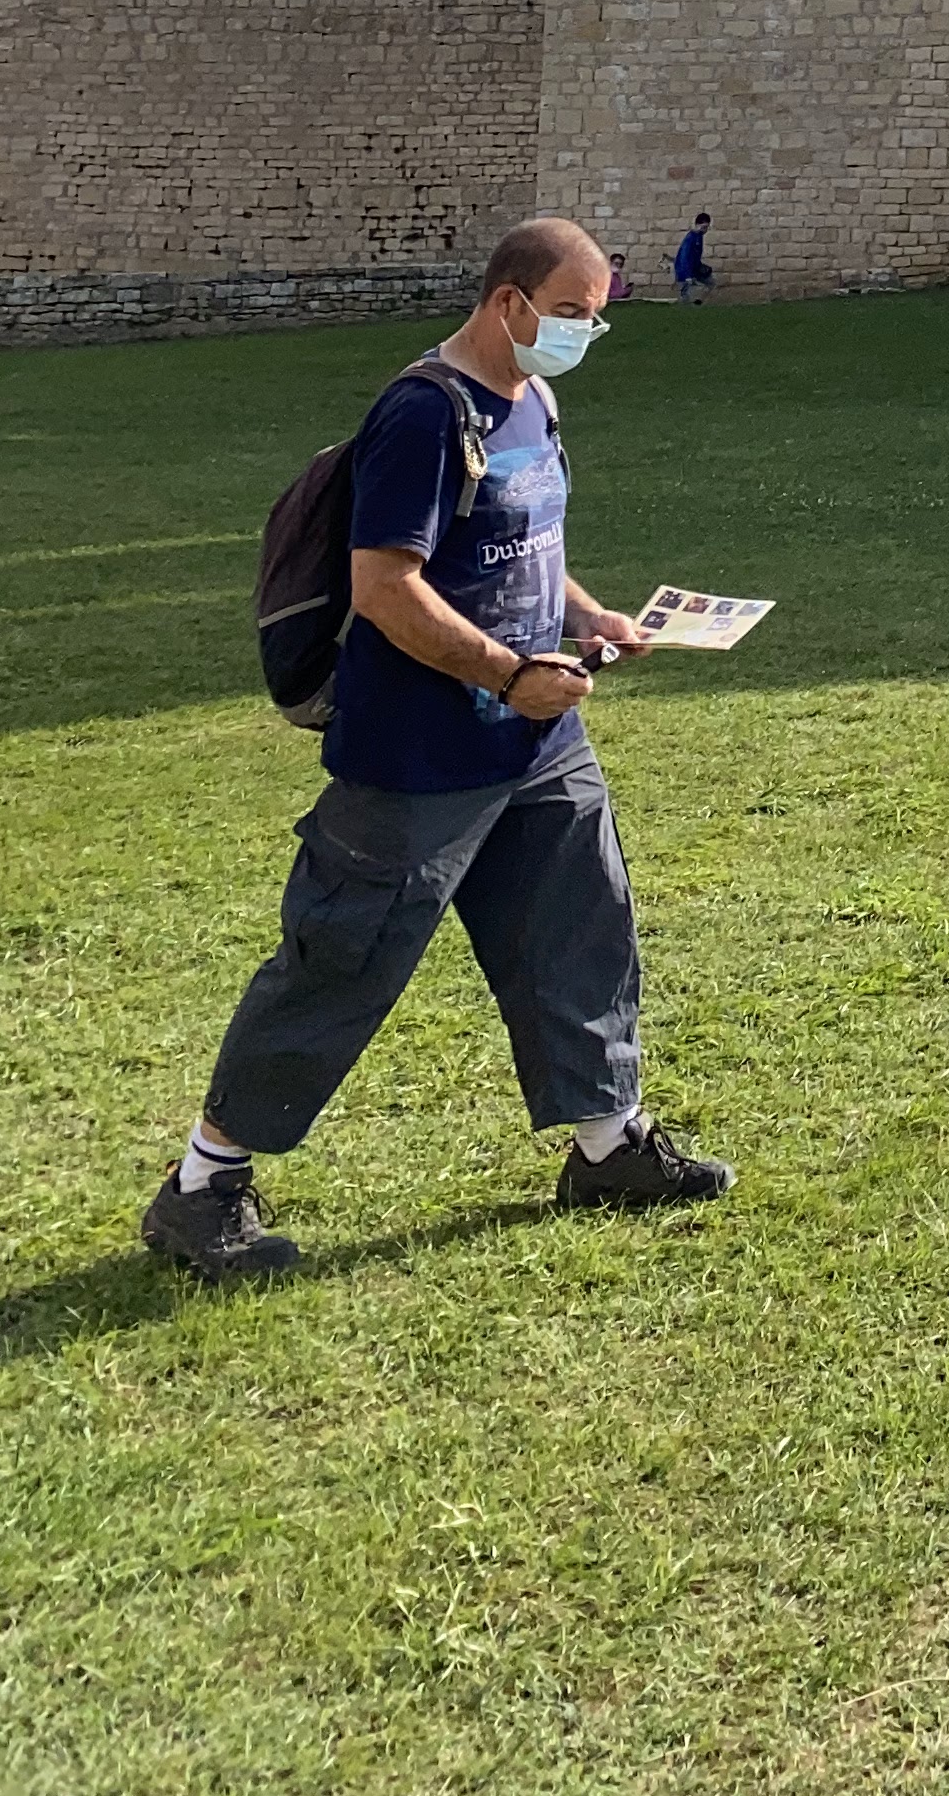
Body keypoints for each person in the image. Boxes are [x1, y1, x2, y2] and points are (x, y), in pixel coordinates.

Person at [150, 217, 727, 1282]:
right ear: (508, 302)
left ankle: (609, 1147)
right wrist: (506, 675)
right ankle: (201, 1187)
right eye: (570, 314)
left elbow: (525, 544)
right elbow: (384, 589)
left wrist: (589, 618)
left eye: (595, 318)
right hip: (415, 756)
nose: (583, 335)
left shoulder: (534, 399)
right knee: (343, 957)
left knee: (579, 927)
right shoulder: (423, 414)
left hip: (537, 744)